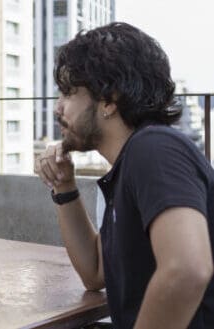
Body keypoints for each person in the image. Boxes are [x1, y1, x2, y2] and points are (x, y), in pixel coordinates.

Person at [34, 22, 214, 328]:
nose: (58, 108)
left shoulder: (154, 148)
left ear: (108, 100)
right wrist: (64, 186)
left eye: (68, 93)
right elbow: (94, 272)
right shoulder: (128, 166)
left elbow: (188, 268)